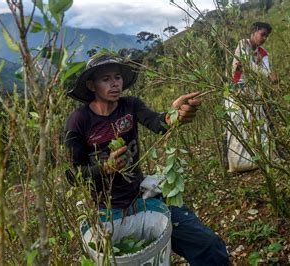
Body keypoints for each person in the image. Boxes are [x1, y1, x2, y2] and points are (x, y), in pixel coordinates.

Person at [65, 54, 229, 265]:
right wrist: (105, 168)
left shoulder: (130, 106)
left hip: (142, 197)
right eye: (106, 79)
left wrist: (172, 116)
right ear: (91, 85)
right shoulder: (79, 121)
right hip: (106, 213)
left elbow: (156, 121)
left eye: (117, 77)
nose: (114, 84)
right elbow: (72, 174)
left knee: (207, 244)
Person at [226, 21, 278, 172]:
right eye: (262, 34)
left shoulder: (263, 53)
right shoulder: (243, 44)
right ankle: (236, 165)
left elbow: (265, 69)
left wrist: (270, 75)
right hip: (236, 91)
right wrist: (268, 75)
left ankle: (263, 157)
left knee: (260, 123)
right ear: (254, 32)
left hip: (253, 91)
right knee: (237, 126)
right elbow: (248, 64)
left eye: (266, 36)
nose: (264, 39)